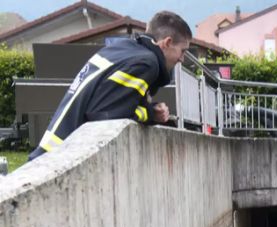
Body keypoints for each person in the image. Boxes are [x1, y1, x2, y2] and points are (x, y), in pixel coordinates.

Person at [28, 11, 192, 161]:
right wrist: (150, 113)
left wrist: (150, 107)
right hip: (63, 158)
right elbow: (108, 115)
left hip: (48, 152)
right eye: (182, 51)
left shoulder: (124, 49)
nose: (182, 59)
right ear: (167, 42)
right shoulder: (146, 63)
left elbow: (110, 101)